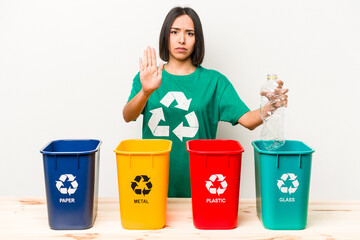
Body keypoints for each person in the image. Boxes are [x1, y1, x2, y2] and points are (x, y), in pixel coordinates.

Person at [123, 7, 288, 197]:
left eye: (190, 33)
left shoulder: (214, 81)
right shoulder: (147, 77)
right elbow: (128, 116)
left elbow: (248, 121)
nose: (181, 39)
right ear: (165, 36)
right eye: (174, 32)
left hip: (202, 183)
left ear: (197, 39)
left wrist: (272, 106)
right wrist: (146, 91)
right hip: (150, 183)